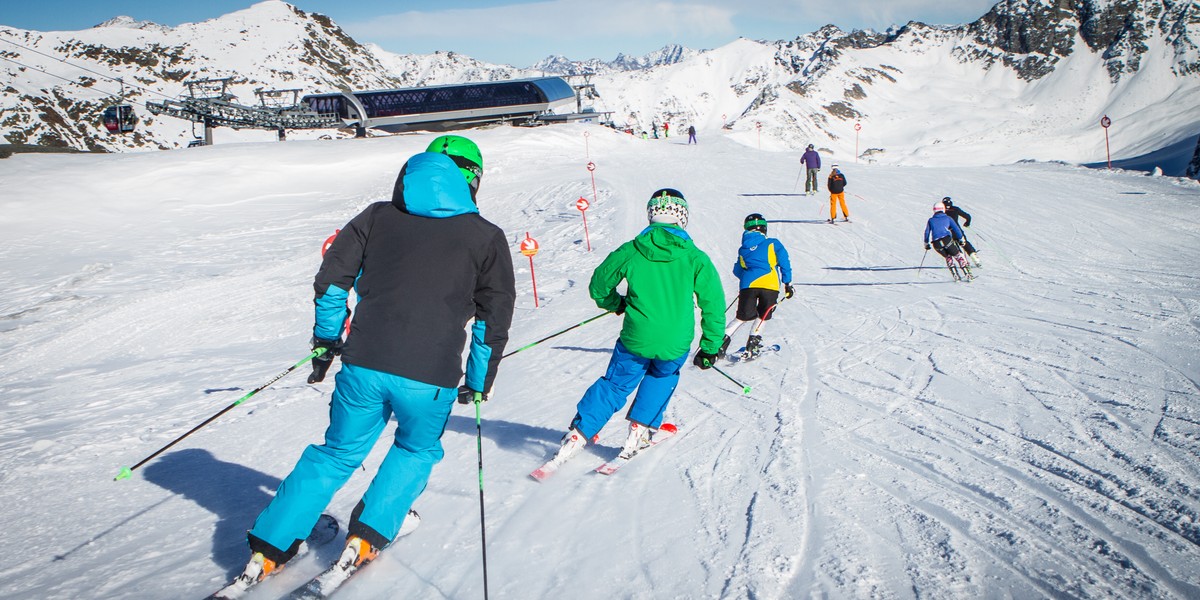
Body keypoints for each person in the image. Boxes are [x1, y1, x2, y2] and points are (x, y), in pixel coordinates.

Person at [220, 135, 516, 595]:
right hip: (431, 376)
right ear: (472, 180)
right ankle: (367, 536)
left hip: (363, 366)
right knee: (415, 451)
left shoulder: (377, 216)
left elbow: (332, 282)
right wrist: (478, 380)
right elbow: (493, 319)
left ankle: (269, 548)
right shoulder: (486, 236)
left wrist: (325, 343)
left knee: (337, 453)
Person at [546, 189, 725, 465]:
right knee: (662, 377)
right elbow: (713, 304)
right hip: (674, 341)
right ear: (683, 218)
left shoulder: (632, 250)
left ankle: (579, 434)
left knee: (616, 384)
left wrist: (616, 303)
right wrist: (709, 347)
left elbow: (598, 286)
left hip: (636, 337)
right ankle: (639, 433)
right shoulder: (695, 258)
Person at [725, 213, 793, 358]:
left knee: (742, 317)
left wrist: (748, 280)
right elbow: (784, 262)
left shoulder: (743, 249)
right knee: (763, 315)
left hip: (748, 286)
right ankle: (752, 346)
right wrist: (788, 283)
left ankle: (719, 345)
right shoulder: (773, 243)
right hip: (769, 285)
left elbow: (738, 269)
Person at [924, 200, 973, 280]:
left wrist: (926, 244)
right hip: (947, 240)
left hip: (936, 244)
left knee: (948, 257)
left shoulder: (931, 220)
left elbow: (926, 233)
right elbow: (956, 229)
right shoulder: (948, 218)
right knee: (957, 255)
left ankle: (955, 274)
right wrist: (961, 239)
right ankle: (967, 273)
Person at [941, 197, 981, 267]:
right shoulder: (955, 209)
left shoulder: (941, 211)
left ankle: (963, 262)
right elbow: (968, 216)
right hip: (957, 230)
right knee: (964, 243)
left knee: (954, 247)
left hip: (947, 233)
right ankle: (975, 259)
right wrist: (967, 223)